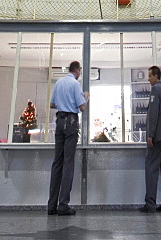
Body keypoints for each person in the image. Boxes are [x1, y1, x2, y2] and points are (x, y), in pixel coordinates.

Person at [47, 60, 88, 216]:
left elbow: (52, 104)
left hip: (59, 122)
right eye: (80, 72)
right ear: (77, 71)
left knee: (57, 162)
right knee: (68, 163)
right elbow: (82, 107)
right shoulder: (75, 84)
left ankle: (51, 205)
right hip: (71, 123)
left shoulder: (59, 82)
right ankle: (63, 205)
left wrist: (63, 103)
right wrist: (86, 96)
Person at [140, 65, 161, 212]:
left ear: (156, 76)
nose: (148, 79)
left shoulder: (155, 90)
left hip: (158, 136)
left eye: (149, 76)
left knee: (151, 168)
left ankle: (150, 204)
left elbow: (153, 114)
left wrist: (150, 135)